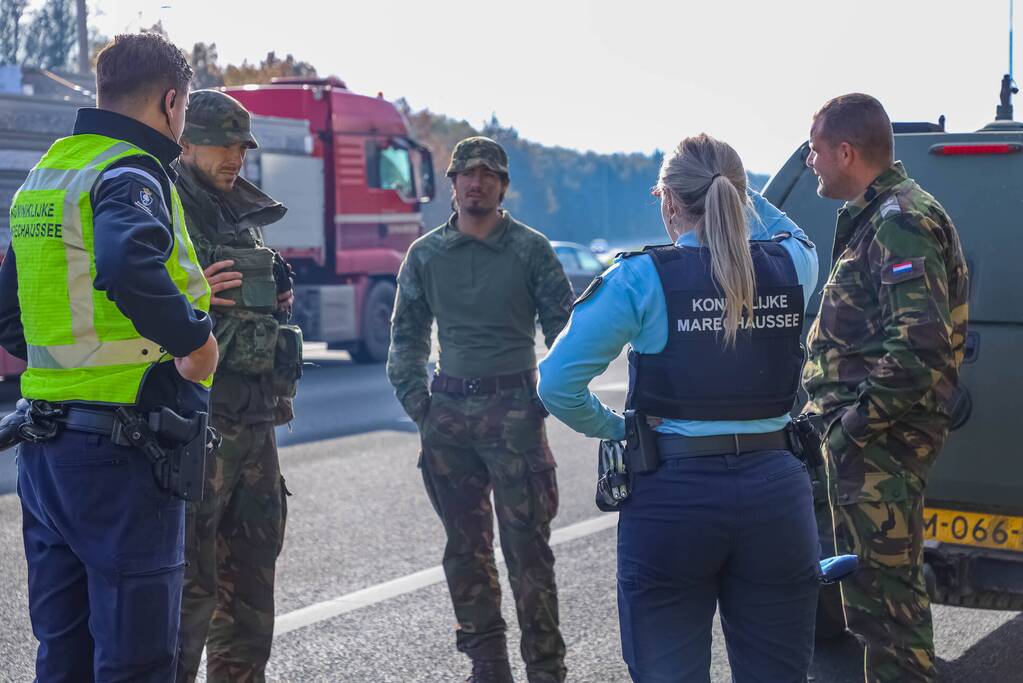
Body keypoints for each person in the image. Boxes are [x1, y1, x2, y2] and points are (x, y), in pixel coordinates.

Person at [538, 133, 821, 683]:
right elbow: (795, 232)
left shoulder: (640, 277)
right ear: (738, 196)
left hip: (674, 496)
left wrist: (619, 427)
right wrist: (742, 196)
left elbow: (555, 383)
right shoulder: (793, 263)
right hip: (777, 494)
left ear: (668, 201)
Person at [0, 33, 216, 680]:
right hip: (124, 455)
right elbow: (127, 262)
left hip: (46, 451)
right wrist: (194, 343)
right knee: (136, 661)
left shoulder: (47, 175)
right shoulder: (130, 171)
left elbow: (11, 317)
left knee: (62, 656)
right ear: (172, 101)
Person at [386, 136, 574, 683]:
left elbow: (565, 333)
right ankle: (487, 665)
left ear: (502, 186)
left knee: (528, 551)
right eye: (467, 173)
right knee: (465, 551)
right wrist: (420, 406)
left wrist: (548, 398)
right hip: (448, 417)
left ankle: (546, 668)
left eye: (489, 174)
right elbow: (406, 341)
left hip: (515, 412)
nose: (477, 182)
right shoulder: (425, 255)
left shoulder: (530, 249)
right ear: (451, 184)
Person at [802, 93, 969, 683]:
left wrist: (851, 428)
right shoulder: (880, 216)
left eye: (817, 150)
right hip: (873, 449)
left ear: (846, 151)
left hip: (881, 449)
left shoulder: (900, 220)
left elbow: (918, 349)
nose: (812, 161)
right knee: (878, 610)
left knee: (891, 618)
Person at [173, 90, 300, 683]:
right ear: (186, 140)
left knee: (250, 593)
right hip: (197, 429)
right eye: (222, 144)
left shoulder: (238, 213)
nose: (234, 157)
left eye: (241, 147)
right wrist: (194, 291)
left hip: (253, 423)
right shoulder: (166, 203)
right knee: (186, 598)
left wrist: (273, 296)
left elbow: (249, 306)